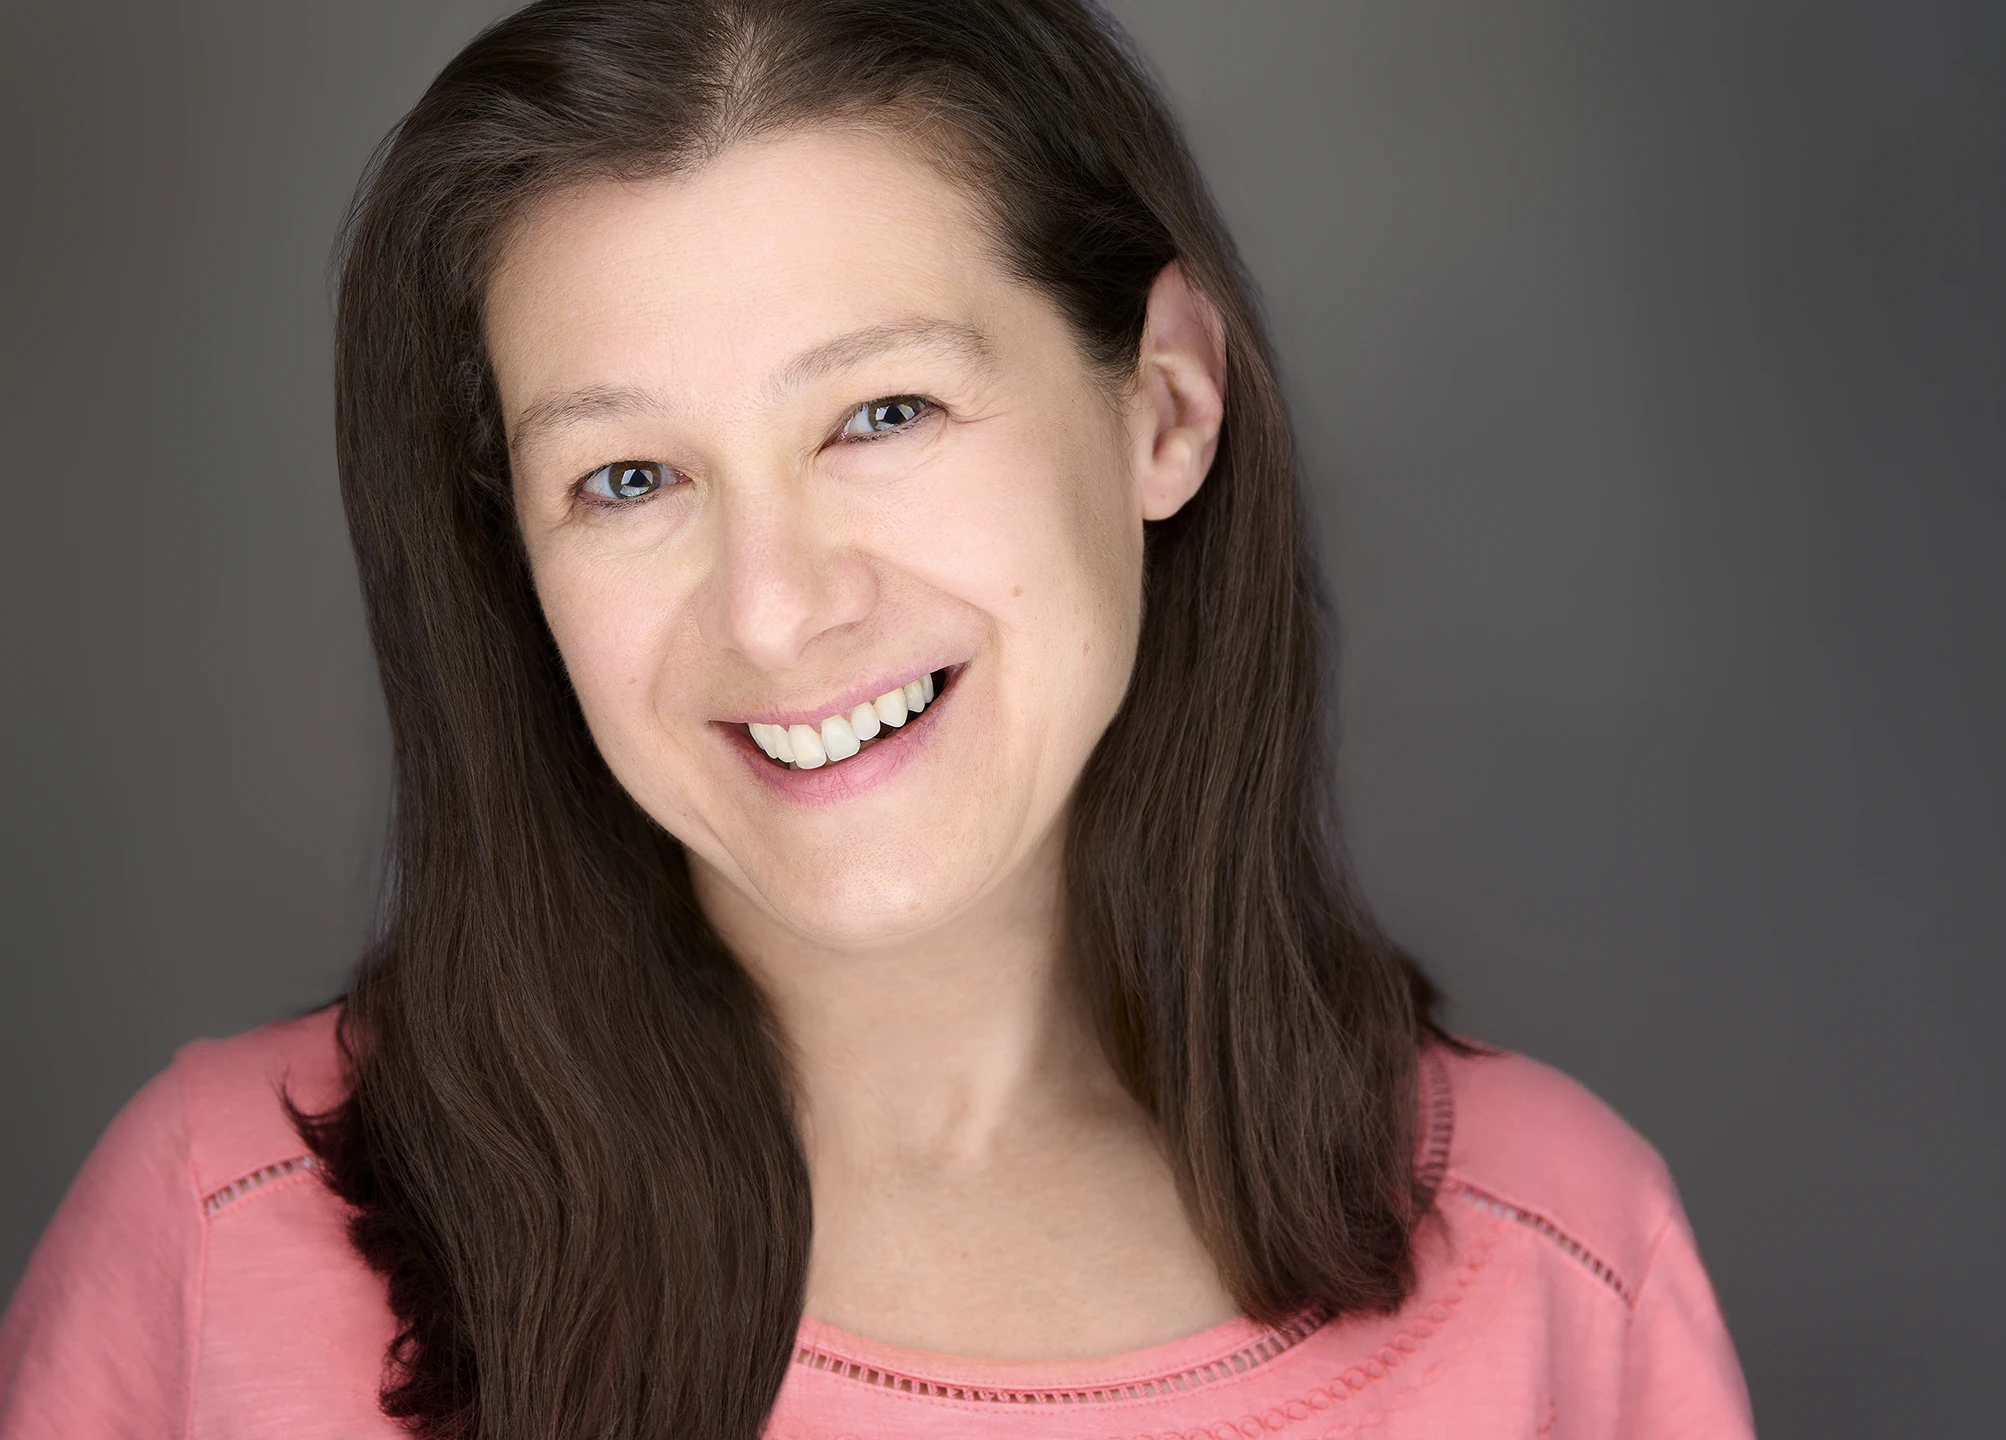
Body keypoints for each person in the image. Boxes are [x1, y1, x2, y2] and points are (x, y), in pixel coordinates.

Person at [0, 2, 1753, 1435]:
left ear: (1164, 405)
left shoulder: (1561, 1271)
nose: (774, 606)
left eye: (884, 413)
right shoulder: (211, 1247)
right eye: (626, 478)